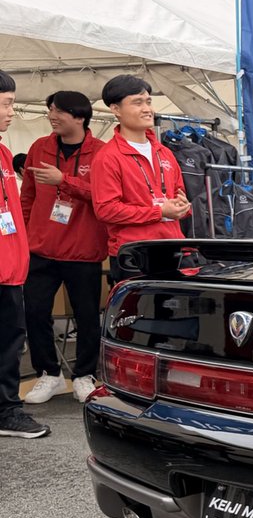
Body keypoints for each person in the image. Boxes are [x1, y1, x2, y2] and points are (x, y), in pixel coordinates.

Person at [19, 91, 106, 403]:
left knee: (86, 316)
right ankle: (49, 374)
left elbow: (104, 198)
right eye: (50, 110)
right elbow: (27, 196)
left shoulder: (102, 153)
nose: (52, 116)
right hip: (41, 248)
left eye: (58, 111)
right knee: (35, 311)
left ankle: (84, 374)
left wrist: (63, 181)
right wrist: (25, 237)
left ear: (80, 117)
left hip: (84, 251)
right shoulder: (38, 147)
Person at [89, 75, 190, 283]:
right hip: (136, 254)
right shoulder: (108, 157)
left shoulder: (164, 152)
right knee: (143, 314)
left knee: (181, 314)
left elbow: (180, 196)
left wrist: (182, 206)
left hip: (174, 247)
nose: (147, 109)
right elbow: (106, 209)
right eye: (137, 102)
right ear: (115, 109)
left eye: (149, 101)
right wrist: (159, 211)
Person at [0, 69, 49, 438]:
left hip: (12, 270)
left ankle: (6, 411)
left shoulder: (3, 152)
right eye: (6, 104)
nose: (11, 112)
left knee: (10, 344)